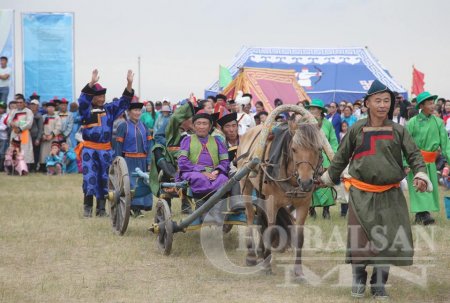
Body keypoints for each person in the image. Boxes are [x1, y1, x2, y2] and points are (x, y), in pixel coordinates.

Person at [319, 80, 431, 299]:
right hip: (361, 194)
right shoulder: (356, 129)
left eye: (386, 101)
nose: (382, 105)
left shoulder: (399, 130)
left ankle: (379, 283)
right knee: (359, 241)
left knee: (387, 240)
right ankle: (359, 278)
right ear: (367, 103)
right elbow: (341, 158)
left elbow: (414, 155)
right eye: (377, 100)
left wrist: (420, 173)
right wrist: (327, 178)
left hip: (390, 194)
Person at [76, 69, 134, 217]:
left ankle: (101, 210)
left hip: (106, 151)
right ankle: (87, 209)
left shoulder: (109, 110)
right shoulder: (85, 111)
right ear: (93, 98)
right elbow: (82, 100)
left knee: (105, 178)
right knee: (90, 178)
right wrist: (91, 83)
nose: (101, 99)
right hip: (89, 150)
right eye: (99, 96)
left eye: (103, 96)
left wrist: (129, 84)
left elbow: (124, 102)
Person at [405, 91, 450, 225]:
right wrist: (404, 163)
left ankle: (422, 214)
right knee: (419, 188)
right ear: (421, 106)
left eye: (433, 103)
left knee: (429, 188)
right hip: (415, 162)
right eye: (429, 103)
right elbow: (405, 144)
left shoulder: (438, 122)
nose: (433, 106)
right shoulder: (412, 123)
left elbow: (446, 144)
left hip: (431, 162)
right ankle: (423, 215)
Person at [176, 112, 229, 199]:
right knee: (199, 178)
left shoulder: (217, 141)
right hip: (192, 171)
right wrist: (202, 172)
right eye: (198, 123)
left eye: (205, 123)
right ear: (193, 126)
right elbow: (182, 161)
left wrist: (217, 171)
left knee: (223, 179)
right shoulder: (187, 140)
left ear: (210, 126)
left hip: (214, 172)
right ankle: (201, 205)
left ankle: (216, 205)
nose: (201, 126)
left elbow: (225, 161)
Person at [116, 102, 153, 217]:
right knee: (131, 185)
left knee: (144, 183)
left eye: (139, 110)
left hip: (142, 160)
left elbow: (150, 145)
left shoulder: (144, 126)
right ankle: (133, 208)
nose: (137, 113)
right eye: (135, 110)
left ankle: (140, 207)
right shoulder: (123, 126)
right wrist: (118, 161)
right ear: (129, 112)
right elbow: (118, 145)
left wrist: (149, 161)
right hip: (129, 160)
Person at [306, 99, 339, 219]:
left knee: (325, 182)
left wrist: (333, 156)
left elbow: (333, 141)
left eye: (314, 108)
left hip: (324, 158)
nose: (312, 110)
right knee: (309, 183)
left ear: (320, 110)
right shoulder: (305, 123)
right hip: (309, 158)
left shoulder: (327, 124)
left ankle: (326, 210)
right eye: (310, 108)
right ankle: (311, 210)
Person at [7, 94, 34, 169]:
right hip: (14, 133)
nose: (19, 104)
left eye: (21, 102)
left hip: (24, 133)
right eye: (17, 102)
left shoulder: (28, 111)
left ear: (24, 103)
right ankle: (14, 167)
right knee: (14, 149)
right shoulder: (13, 111)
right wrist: (12, 125)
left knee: (25, 149)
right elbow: (8, 121)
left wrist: (20, 128)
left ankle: (25, 168)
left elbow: (29, 123)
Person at [39, 101, 62, 172]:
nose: (50, 109)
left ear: (54, 108)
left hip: (53, 138)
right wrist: (43, 135)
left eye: (52, 107)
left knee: (53, 152)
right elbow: (41, 127)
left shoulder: (57, 117)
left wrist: (52, 135)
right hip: (44, 138)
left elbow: (59, 127)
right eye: (49, 107)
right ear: (46, 108)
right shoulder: (43, 117)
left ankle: (54, 168)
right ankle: (43, 168)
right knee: (43, 153)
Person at [29, 98, 44, 172]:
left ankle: (34, 168)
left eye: (34, 105)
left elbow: (41, 129)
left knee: (36, 152)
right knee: (29, 152)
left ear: (37, 106)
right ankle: (29, 167)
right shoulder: (28, 114)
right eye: (31, 104)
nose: (33, 106)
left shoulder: (39, 116)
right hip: (27, 136)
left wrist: (38, 138)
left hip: (35, 137)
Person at [0, 102, 9, 171]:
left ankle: (1, 167)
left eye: (2, 108)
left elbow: (5, 127)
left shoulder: (6, 116)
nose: (0, 109)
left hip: (4, 137)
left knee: (2, 152)